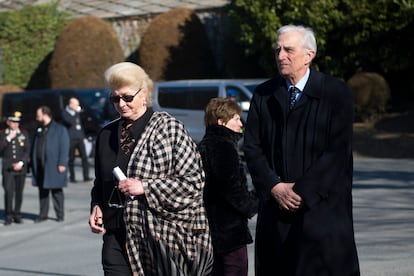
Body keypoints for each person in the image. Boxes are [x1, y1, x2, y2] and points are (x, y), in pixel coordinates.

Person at [244, 25, 360, 275]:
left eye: (288, 50)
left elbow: (337, 152)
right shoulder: (264, 94)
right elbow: (252, 148)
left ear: (309, 55)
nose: (280, 56)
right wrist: (274, 186)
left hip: (321, 213)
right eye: (277, 50)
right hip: (276, 213)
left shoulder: (335, 93)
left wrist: (301, 192)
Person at [89, 62, 213, 275]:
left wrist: (146, 186)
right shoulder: (106, 134)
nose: (121, 104)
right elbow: (100, 183)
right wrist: (97, 205)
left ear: (144, 93)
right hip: (116, 235)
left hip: (159, 237)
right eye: (115, 98)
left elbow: (193, 182)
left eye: (127, 97)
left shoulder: (169, 129)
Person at [198, 97, 258, 276]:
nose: (241, 122)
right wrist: (253, 204)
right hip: (229, 232)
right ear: (221, 121)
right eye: (236, 118)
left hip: (212, 230)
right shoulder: (223, 145)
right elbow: (231, 187)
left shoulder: (206, 144)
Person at [31, 106, 70, 223]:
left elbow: (64, 147)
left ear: (45, 114)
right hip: (40, 165)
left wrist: (62, 163)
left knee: (56, 191)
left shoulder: (59, 129)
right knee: (42, 191)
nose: (36, 117)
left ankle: (60, 214)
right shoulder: (39, 129)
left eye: (38, 114)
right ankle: (43, 215)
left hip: (54, 164)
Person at [0, 111, 30, 225]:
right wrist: (7, 139)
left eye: (17, 122)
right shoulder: (3, 134)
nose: (15, 124)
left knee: (19, 192)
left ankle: (17, 214)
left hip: (20, 168)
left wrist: (21, 163)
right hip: (8, 168)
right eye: (13, 122)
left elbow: (27, 150)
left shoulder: (24, 133)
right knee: (8, 191)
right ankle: (8, 215)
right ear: (8, 122)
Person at [61, 97, 91, 182]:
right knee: (71, 158)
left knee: (84, 158)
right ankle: (72, 177)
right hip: (71, 138)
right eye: (76, 105)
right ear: (71, 104)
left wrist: (84, 136)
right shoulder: (65, 113)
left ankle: (86, 176)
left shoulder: (76, 113)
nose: (77, 106)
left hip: (80, 138)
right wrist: (76, 113)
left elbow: (80, 125)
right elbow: (70, 122)